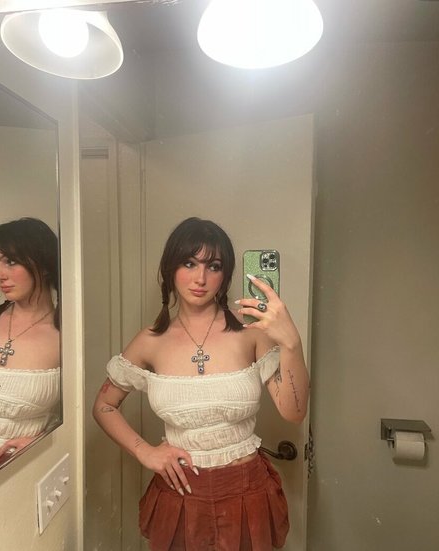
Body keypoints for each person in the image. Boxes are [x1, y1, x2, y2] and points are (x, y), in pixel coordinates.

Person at [93, 217, 310, 551]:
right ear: (170, 268)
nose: (200, 278)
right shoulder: (149, 342)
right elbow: (104, 406)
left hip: (247, 493)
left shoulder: (251, 333)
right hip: (179, 495)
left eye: (214, 266)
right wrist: (145, 452)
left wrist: (291, 343)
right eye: (189, 263)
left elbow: (294, 413)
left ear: (226, 275)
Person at [0, 217, 60, 474]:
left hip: (23, 468)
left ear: (44, 265)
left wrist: (44, 439)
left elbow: (80, 409)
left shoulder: (65, 336)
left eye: (11, 261)